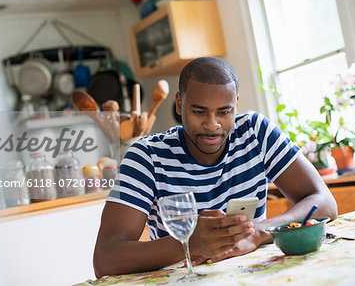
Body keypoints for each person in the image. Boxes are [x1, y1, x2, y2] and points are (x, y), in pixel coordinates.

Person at [93, 57, 337, 278]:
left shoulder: (254, 132)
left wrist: (258, 233)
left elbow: (325, 201)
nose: (212, 125)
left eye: (224, 112)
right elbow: (105, 259)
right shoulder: (147, 156)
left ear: (236, 105)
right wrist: (190, 243)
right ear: (179, 104)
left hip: (257, 275)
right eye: (199, 111)